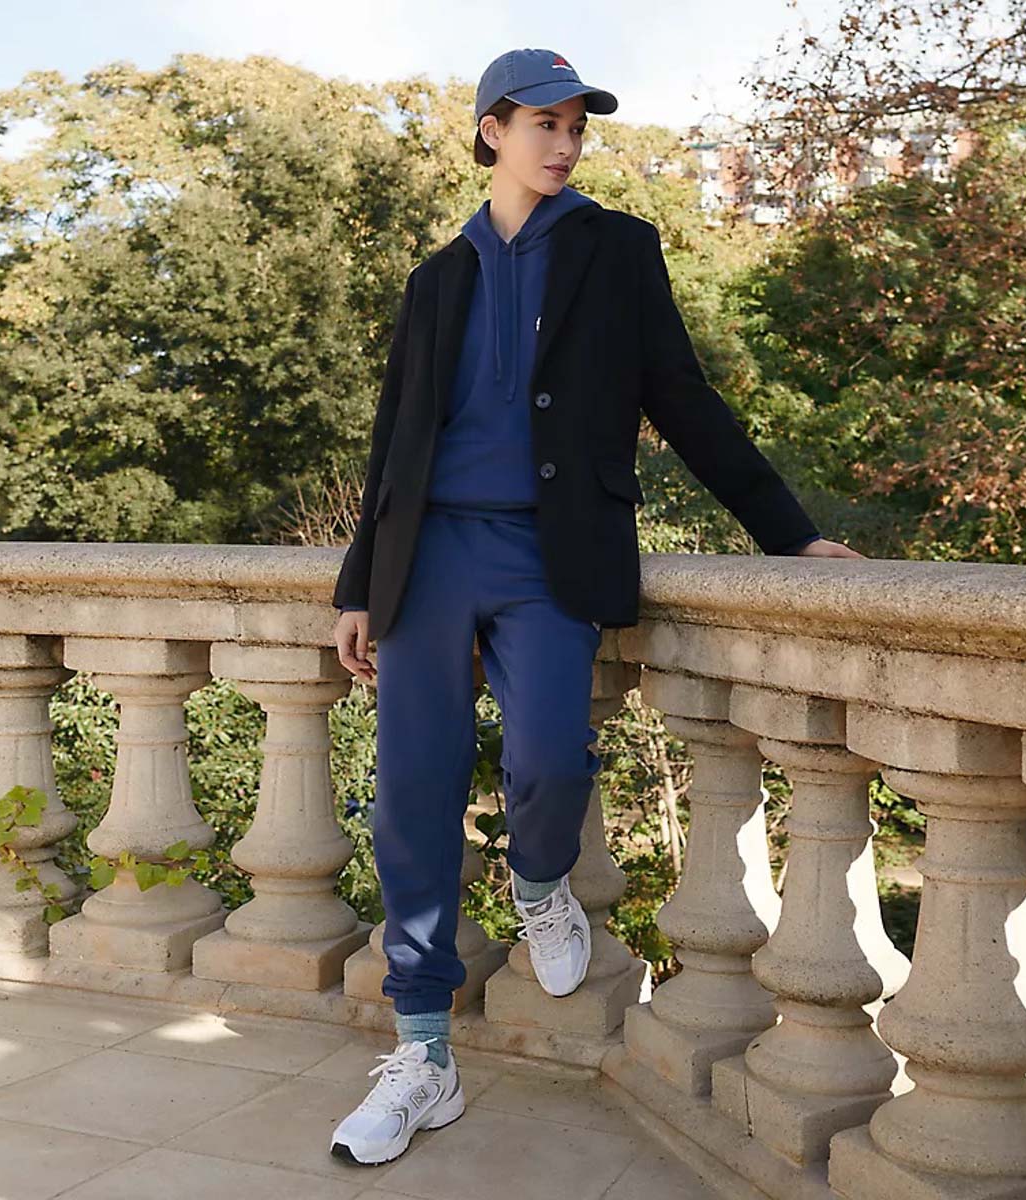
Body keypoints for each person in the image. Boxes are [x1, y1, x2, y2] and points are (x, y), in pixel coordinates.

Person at [327, 47, 865, 1166]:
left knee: (550, 759)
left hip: (549, 554)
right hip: (429, 558)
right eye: (546, 124)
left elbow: (682, 396)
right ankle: (423, 1056)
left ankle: (539, 883)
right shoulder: (438, 278)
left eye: (578, 126)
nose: (566, 144)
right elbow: (396, 439)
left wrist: (789, 533)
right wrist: (358, 587)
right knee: (411, 798)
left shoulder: (618, 249)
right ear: (491, 130)